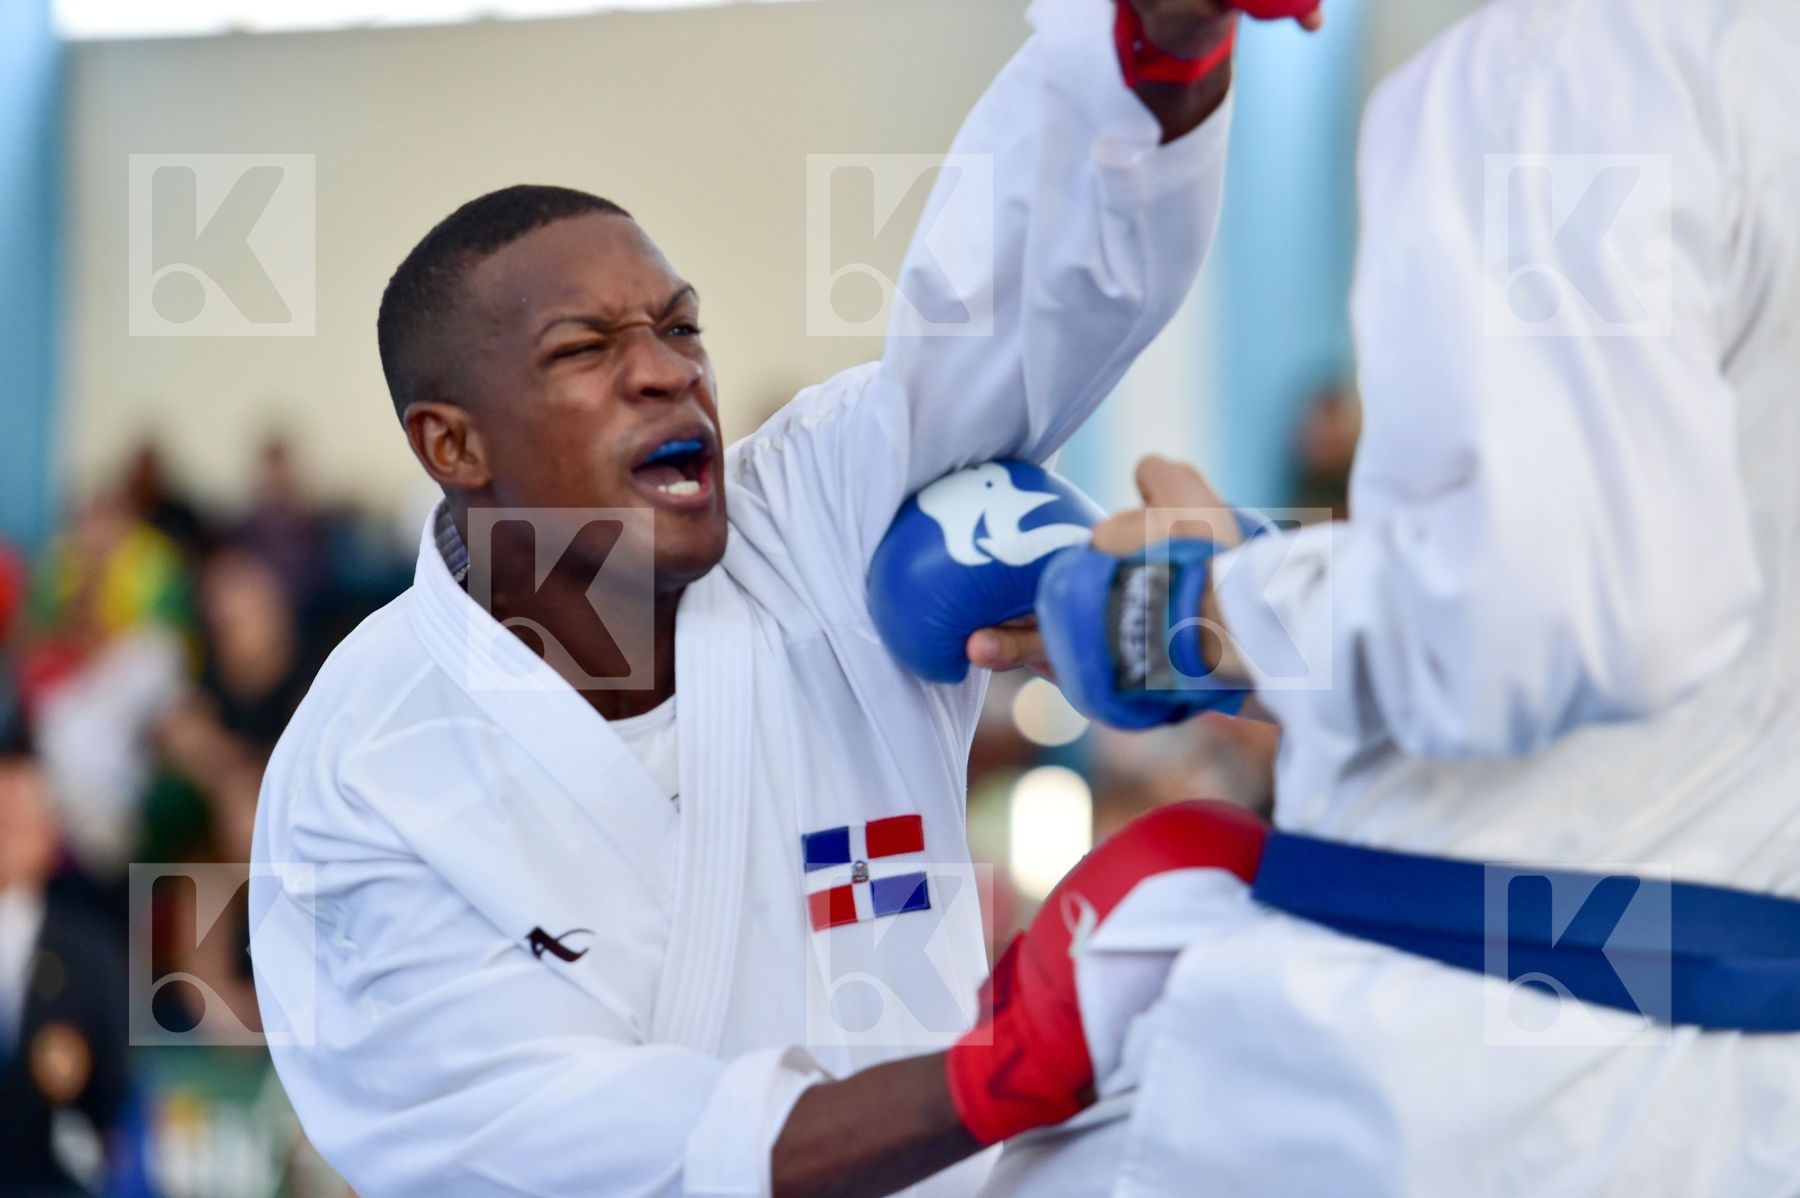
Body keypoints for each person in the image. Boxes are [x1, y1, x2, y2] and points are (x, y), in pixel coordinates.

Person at [248, 1, 1324, 1195]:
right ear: (453, 444)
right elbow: (565, 1149)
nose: (667, 371)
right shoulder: (366, 778)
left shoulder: (815, 518)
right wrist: (1003, 1067)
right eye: (584, 349)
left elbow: (1012, 315)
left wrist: (1158, 52)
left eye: (681, 326)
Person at [974, 0, 1800, 1193]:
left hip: (1477, 1069)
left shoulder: (1562, 61)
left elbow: (1557, 611)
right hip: (1714, 1059)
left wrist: (1188, 612)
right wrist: (1267, 577)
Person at [0, 731, 135, 1198]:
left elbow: (116, 1098)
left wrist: (80, 1075)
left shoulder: (90, 953)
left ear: (49, 833)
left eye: (17, 821)